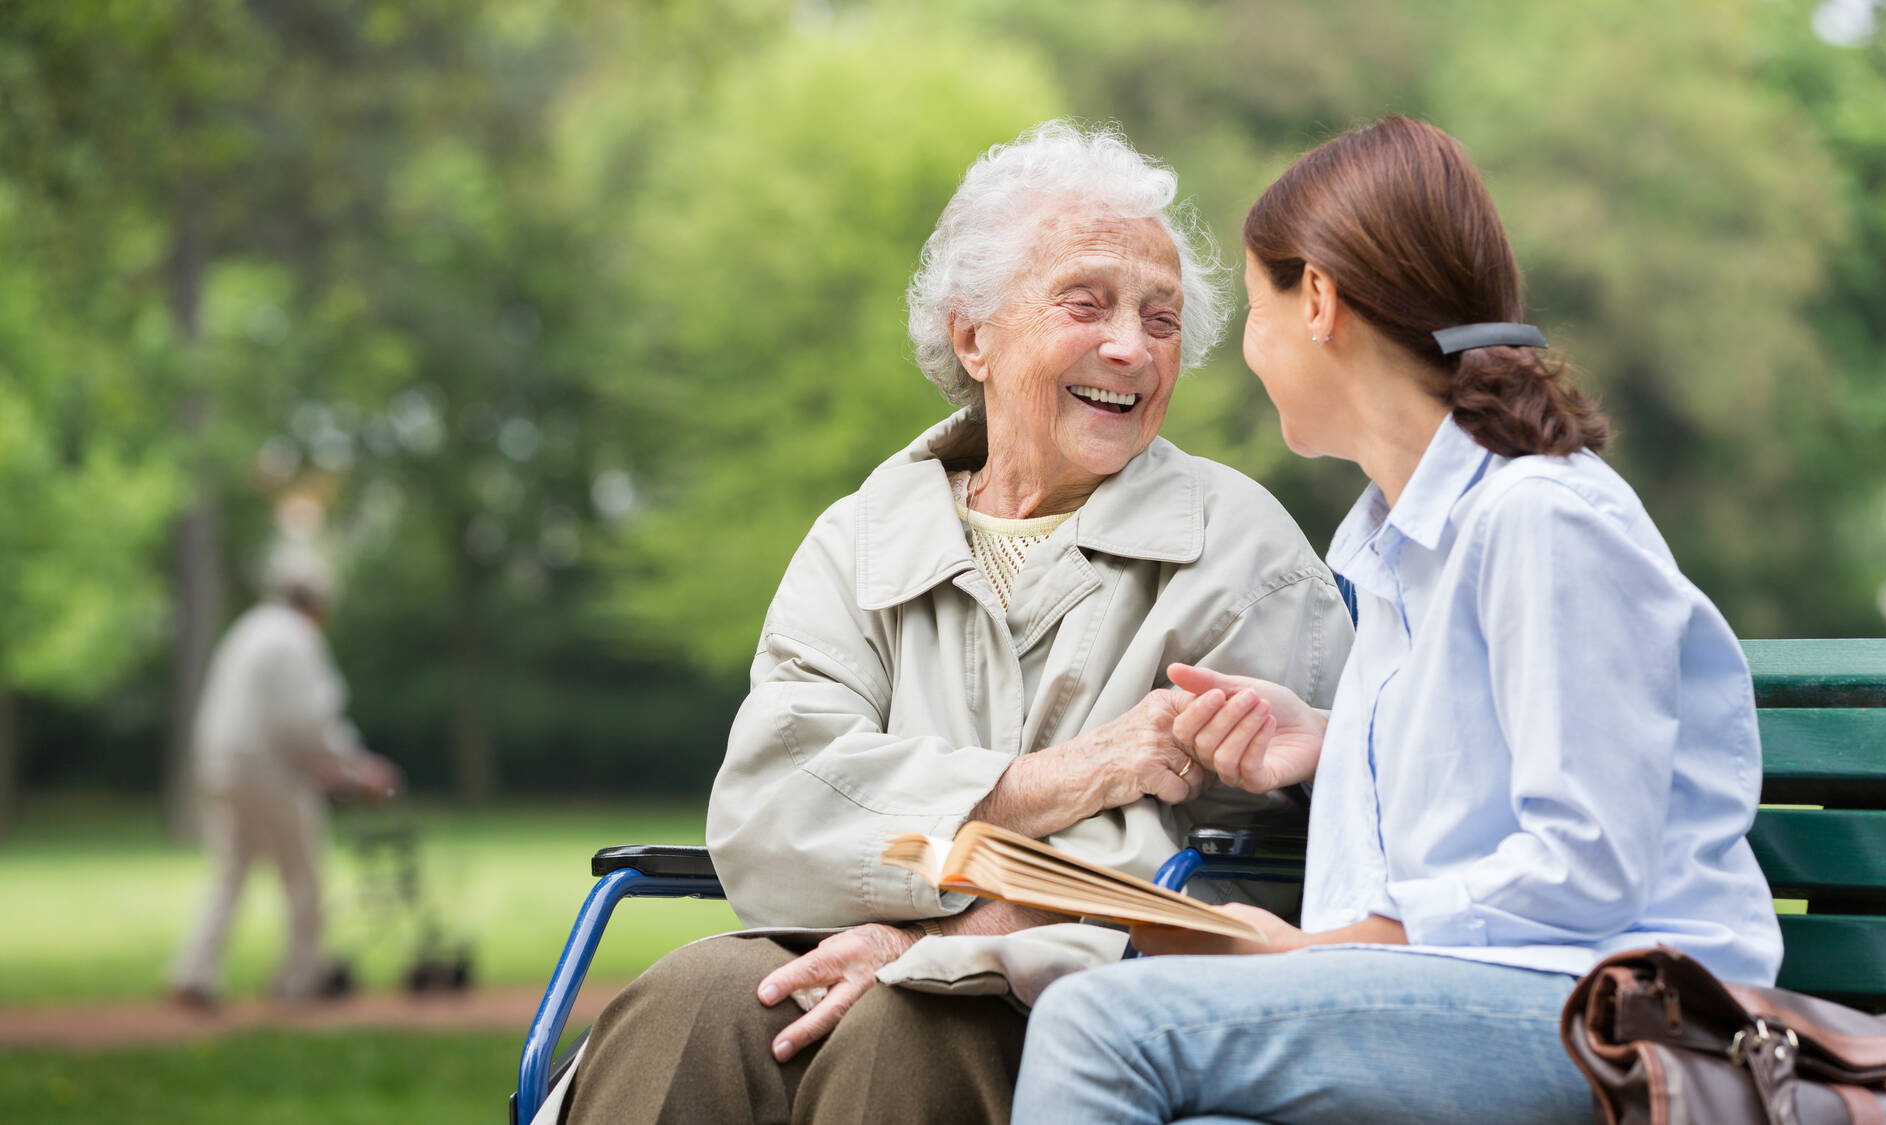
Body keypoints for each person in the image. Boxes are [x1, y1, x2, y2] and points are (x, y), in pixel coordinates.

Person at [558, 121, 1355, 1125]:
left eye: (1160, 318)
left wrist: (948, 940)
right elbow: (772, 809)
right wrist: (1072, 776)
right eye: (1086, 303)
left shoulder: (1238, 548)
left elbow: (1262, 861)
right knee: (687, 1006)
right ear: (973, 335)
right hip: (838, 939)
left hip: (1094, 982)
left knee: (909, 1029)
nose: (1130, 346)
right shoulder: (860, 539)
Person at [1010, 115, 1783, 1125]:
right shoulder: (1398, 545)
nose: (1243, 351)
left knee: (1099, 1023)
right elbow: (1511, 764)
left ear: (1318, 300)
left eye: (1253, 309)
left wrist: (1325, 952)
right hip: (1494, 1001)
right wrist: (1332, 743)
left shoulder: (1541, 518)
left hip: (1606, 1017)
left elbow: (1584, 861)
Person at [167, 545, 399, 1009]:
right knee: (305, 876)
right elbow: (308, 723)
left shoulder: (250, 629)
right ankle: (300, 980)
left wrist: (337, 765)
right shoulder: (296, 638)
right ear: (316, 600)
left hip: (223, 768)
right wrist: (359, 767)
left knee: (230, 872)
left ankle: (195, 972)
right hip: (269, 773)